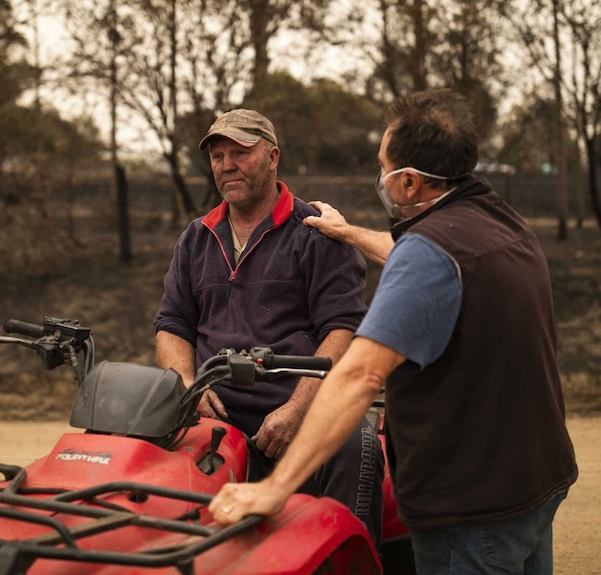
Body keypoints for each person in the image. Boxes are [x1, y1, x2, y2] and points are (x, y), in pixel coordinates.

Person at [208, 89, 578, 575]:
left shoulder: (428, 254)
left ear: (407, 183)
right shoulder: (499, 220)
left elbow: (359, 375)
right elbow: (425, 256)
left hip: (469, 506)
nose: (378, 177)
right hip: (536, 480)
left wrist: (275, 488)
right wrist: (351, 233)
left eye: (383, 167)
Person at [154, 108, 384, 546]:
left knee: (357, 443)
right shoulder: (196, 236)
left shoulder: (316, 234)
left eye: (240, 152)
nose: (226, 165)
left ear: (273, 156)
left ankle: (348, 554)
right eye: (218, 156)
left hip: (301, 404)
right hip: (215, 409)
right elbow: (172, 323)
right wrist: (187, 385)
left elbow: (343, 329)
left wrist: (298, 410)